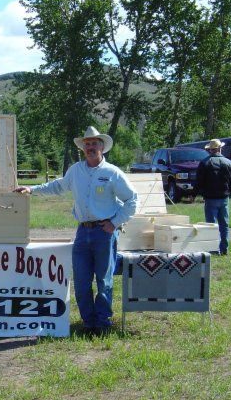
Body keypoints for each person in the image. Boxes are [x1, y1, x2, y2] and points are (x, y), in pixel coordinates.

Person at [14, 126, 138, 334]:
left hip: (104, 232)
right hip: (83, 232)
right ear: (83, 148)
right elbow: (57, 186)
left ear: (102, 147)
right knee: (81, 280)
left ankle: (103, 323)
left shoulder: (112, 172)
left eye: (94, 143)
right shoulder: (75, 170)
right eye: (87, 144)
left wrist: (115, 222)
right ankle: (88, 323)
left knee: (104, 280)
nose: (90, 147)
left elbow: (132, 199)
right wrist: (31, 189)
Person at [196, 138, 231, 255]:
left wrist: (200, 193)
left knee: (211, 225)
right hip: (224, 198)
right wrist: (230, 192)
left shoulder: (204, 163)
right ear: (220, 148)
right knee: (224, 225)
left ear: (210, 150)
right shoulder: (229, 163)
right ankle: (224, 249)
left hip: (210, 198)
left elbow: (199, 182)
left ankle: (213, 249)